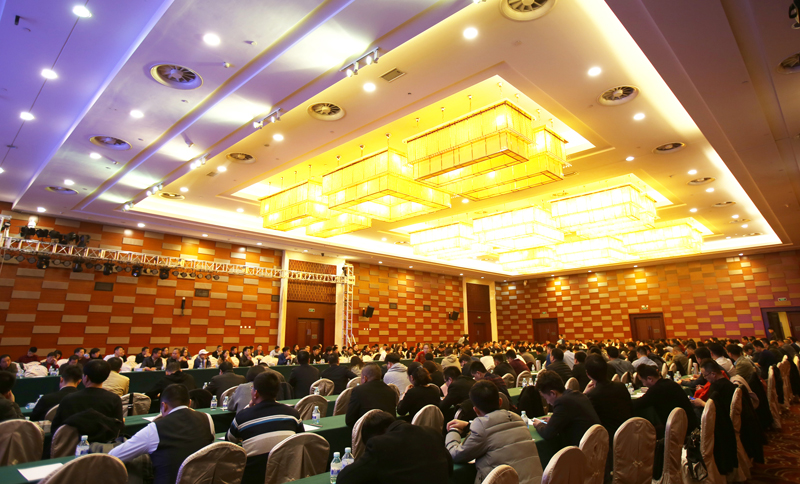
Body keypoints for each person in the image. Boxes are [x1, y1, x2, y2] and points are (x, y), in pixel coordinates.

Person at [110, 384, 214, 484]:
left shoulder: (155, 429)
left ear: (164, 406)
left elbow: (114, 457)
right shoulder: (207, 419)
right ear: (189, 403)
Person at [446, 381, 542, 484]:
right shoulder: (518, 418)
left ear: (476, 410)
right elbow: (494, 428)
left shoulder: (482, 427)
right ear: (500, 402)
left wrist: (453, 431)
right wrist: (468, 426)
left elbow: (455, 455)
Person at [226, 372, 304, 484]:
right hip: (286, 475)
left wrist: (248, 408)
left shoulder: (242, 417)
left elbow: (229, 441)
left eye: (252, 389)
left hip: (254, 478)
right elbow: (300, 438)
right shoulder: (293, 414)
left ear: (255, 393)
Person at [338, 410, 453, 484]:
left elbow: (344, 478)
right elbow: (449, 467)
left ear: (375, 435)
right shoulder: (432, 433)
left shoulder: (379, 444)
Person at [583, 355, 630, 479]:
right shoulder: (621, 386)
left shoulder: (593, 395)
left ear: (588, 374)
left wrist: (584, 394)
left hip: (608, 443)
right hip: (628, 435)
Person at [689, 360, 739, 475]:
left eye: (705, 375)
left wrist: (701, 403)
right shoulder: (727, 383)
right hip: (726, 420)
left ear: (713, 374)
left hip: (721, 424)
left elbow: (715, 409)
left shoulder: (716, 387)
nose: (705, 378)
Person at [51, 359, 124, 433]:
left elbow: (56, 428)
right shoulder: (114, 399)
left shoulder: (69, 399)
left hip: (74, 439)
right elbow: (118, 426)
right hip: (104, 439)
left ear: (86, 378)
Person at [533, 370, 600, 449]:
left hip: (582, 450)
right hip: (598, 446)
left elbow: (547, 433)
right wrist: (554, 419)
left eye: (545, 398)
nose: (547, 402)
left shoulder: (562, 402)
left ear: (553, 393)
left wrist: (538, 424)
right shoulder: (576, 394)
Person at [632, 364, 697, 439]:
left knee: (643, 432)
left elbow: (638, 404)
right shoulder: (670, 383)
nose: (643, 384)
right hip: (689, 424)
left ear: (650, 379)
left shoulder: (656, 390)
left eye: (642, 381)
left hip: (679, 430)